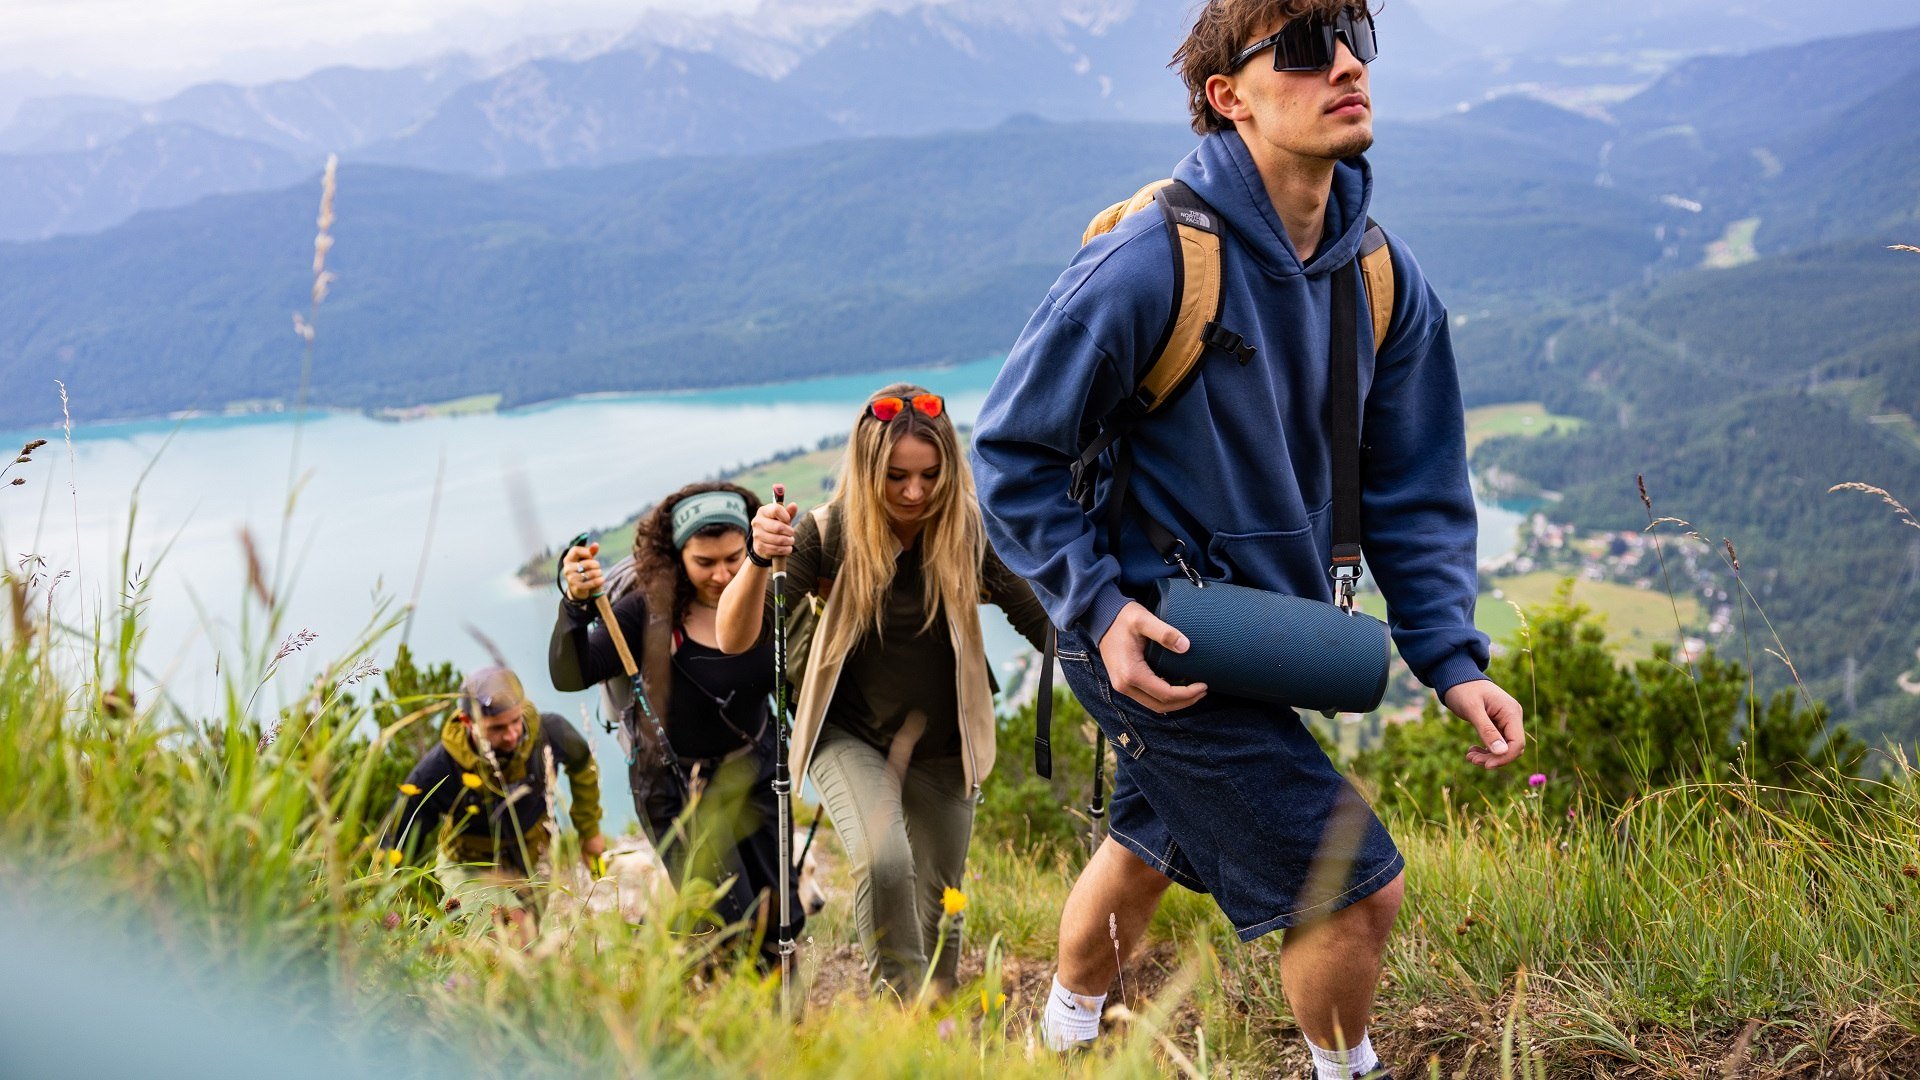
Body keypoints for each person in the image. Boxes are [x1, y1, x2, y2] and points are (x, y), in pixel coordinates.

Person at [970, 3, 1528, 1077]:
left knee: (1145, 851)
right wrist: (1098, 607)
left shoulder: (1381, 277)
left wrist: (1450, 659)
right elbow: (1011, 451)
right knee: (1354, 884)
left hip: (1260, 631)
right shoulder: (1151, 263)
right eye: (1309, 49)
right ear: (1229, 96)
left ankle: (1063, 1040)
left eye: (1356, 44)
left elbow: (1411, 487)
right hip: (1148, 632)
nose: (1348, 67)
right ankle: (1343, 1070)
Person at [717, 384, 1050, 999]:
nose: (915, 493)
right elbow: (735, 637)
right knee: (885, 861)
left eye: (930, 475)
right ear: (868, 470)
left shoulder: (969, 533)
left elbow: (1043, 621)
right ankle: (900, 1022)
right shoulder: (828, 534)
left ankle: (936, 1026)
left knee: (941, 904)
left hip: (948, 746)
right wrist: (757, 561)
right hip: (849, 735)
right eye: (896, 477)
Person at [551, 482, 804, 967]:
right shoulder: (648, 612)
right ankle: (736, 1024)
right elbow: (569, 674)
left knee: (782, 912)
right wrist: (575, 607)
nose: (722, 574)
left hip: (755, 766)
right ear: (676, 555)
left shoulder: (768, 594)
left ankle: (785, 1020)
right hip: (673, 784)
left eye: (734, 556)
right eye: (704, 562)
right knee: (728, 921)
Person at [388, 665, 604, 928]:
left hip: (535, 858)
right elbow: (396, 837)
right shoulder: (441, 767)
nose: (512, 734)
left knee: (541, 937)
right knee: (511, 930)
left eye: (516, 720)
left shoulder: (549, 732)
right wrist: (390, 901)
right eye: (498, 728)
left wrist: (589, 832)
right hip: (471, 866)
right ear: (468, 722)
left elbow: (582, 764)